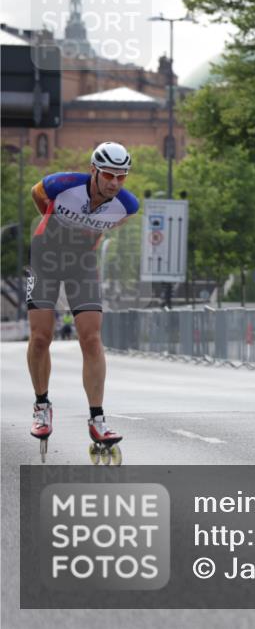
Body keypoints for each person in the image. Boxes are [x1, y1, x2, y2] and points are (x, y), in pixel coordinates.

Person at [26, 141, 138, 464]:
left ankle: (97, 418)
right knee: (41, 337)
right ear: (94, 171)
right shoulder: (62, 185)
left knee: (91, 339)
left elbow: (108, 225)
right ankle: (42, 406)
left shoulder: (127, 205)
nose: (114, 183)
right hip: (46, 257)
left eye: (121, 177)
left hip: (82, 263)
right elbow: (37, 195)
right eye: (108, 175)